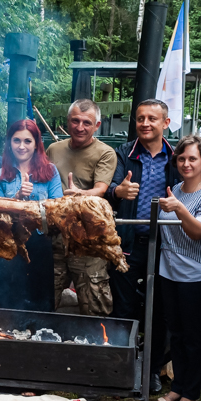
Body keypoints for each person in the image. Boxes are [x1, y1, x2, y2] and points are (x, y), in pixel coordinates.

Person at [107, 99, 181, 393]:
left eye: (152, 118)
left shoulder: (176, 155)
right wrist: (118, 191)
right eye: (140, 118)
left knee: (159, 307)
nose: (145, 123)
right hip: (128, 242)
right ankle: (123, 365)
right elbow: (110, 187)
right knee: (123, 305)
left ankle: (152, 367)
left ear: (165, 122)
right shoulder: (124, 152)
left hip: (165, 243)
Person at [151, 136, 201, 401]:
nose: (186, 163)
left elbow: (199, 232)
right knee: (176, 334)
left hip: (197, 275)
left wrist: (179, 209)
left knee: (193, 336)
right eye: (181, 158)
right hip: (169, 272)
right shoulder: (176, 189)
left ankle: (190, 393)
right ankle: (177, 387)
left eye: (192, 158)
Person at [46, 99, 117, 316]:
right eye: (75, 121)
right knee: (45, 297)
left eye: (86, 122)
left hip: (88, 241)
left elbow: (101, 189)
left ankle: (96, 346)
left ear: (97, 125)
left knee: (95, 303)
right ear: (67, 122)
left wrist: (79, 195)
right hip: (55, 237)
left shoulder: (105, 153)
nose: (79, 127)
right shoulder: (53, 149)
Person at [0, 119, 63, 312]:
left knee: (41, 300)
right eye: (16, 141)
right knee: (10, 299)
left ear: (37, 144)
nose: (21, 146)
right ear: (9, 143)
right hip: (9, 246)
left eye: (27, 141)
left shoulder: (50, 172)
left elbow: (57, 208)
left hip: (40, 244)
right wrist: (16, 197)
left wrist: (32, 204)